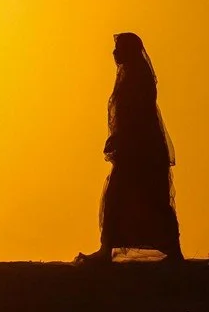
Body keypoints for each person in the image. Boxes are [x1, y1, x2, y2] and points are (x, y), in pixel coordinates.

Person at [77, 32, 183, 263]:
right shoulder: (129, 75)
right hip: (134, 148)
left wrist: (123, 138)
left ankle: (170, 250)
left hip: (141, 149)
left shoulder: (138, 77)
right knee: (123, 196)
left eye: (119, 48)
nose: (114, 53)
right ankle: (109, 248)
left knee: (146, 197)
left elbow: (139, 114)